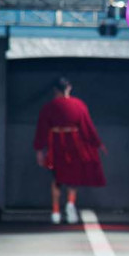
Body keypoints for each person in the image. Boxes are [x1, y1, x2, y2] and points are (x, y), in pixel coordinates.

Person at [33, 77, 106, 225]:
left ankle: (56, 211)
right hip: (73, 144)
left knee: (57, 178)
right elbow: (87, 127)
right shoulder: (78, 105)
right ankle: (70, 206)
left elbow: (41, 130)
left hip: (57, 144)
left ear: (55, 90)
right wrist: (97, 143)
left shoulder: (49, 107)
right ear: (69, 88)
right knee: (72, 179)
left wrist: (39, 151)